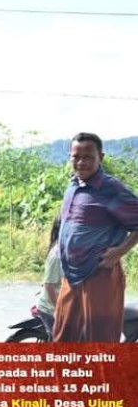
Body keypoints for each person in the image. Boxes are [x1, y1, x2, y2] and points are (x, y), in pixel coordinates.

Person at [53, 132, 138, 342]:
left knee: (100, 341)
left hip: (100, 275)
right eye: (76, 157)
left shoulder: (110, 189)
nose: (82, 162)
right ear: (70, 158)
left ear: (101, 157)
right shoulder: (72, 186)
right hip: (71, 276)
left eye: (89, 157)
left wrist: (120, 251)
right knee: (63, 338)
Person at [34, 218, 61, 339]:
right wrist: (59, 309)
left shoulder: (65, 251)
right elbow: (49, 285)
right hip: (50, 309)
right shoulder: (56, 254)